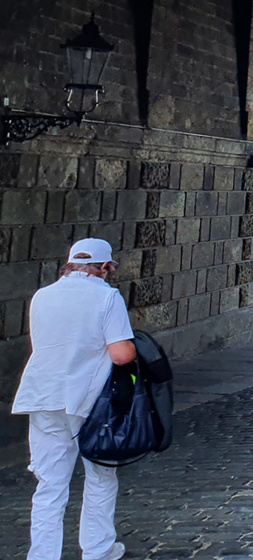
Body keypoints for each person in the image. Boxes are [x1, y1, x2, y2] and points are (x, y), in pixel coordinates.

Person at [12, 238, 135, 560]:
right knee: (100, 475)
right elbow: (121, 355)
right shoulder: (107, 297)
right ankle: (98, 550)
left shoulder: (42, 296)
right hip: (89, 400)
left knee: (49, 484)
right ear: (105, 267)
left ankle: (42, 555)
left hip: (42, 394)